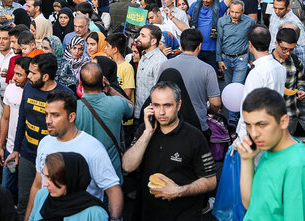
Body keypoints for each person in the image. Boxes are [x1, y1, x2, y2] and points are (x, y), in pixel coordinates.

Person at [121, 82, 217, 221]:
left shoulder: (194, 137)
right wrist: (148, 133)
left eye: (167, 105)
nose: (161, 112)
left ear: (178, 105)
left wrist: (179, 191)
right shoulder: (144, 130)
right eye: (156, 105)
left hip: (183, 214)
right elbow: (128, 166)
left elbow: (210, 180)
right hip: (149, 213)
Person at [28, 90, 123, 220]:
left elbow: (113, 190)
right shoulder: (45, 143)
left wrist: (114, 219)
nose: (48, 121)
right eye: (46, 114)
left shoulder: (93, 148)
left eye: (55, 115)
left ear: (71, 117)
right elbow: (38, 184)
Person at [4, 54, 71, 220]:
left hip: (53, 158)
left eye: (33, 73)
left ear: (46, 76)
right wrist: (16, 149)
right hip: (27, 154)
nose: (29, 76)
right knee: (24, 200)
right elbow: (21, 119)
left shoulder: (65, 94)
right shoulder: (29, 87)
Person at [236, 88, 305, 220]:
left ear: (284, 121)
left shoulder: (297, 165)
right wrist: (246, 160)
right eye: (249, 125)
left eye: (261, 124)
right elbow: (251, 204)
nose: (254, 133)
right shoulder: (270, 149)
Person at [76, 63, 133, 183]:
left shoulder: (73, 109)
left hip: (85, 176)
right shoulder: (117, 103)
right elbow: (131, 108)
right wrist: (111, 89)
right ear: (103, 81)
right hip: (111, 174)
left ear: (80, 83)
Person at [158, 29, 221, 136]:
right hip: (198, 124)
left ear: (181, 47)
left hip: (169, 123)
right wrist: (208, 110)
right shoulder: (208, 69)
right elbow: (215, 103)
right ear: (199, 46)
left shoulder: (165, 65)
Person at [236, 25, 287, 137]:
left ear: (250, 44)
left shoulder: (257, 72)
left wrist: (243, 135)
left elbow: (248, 105)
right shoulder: (280, 68)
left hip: (257, 133)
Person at [28, 152, 109, 221]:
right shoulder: (42, 195)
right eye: (45, 176)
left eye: (50, 178)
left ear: (70, 178)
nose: (45, 184)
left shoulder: (95, 213)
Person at [0, 56, 30, 202]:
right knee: (6, 188)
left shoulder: (35, 94)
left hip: (27, 155)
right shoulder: (10, 89)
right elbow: (5, 118)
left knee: (24, 193)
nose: (14, 77)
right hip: (10, 150)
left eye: (19, 74)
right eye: (14, 73)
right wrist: (0, 146)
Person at [187, 0, 236, 71]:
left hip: (212, 51)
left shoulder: (219, 7)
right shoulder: (195, 6)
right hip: (196, 49)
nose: (205, 0)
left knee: (211, 77)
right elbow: (186, 21)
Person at [270, 27, 304, 133]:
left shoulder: (296, 61)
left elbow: (301, 81)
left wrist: (301, 90)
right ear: (276, 43)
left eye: (291, 49)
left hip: (290, 114)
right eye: (284, 49)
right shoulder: (267, 63)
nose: (288, 53)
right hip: (271, 117)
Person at [216, 0, 255, 86]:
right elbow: (219, 40)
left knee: (237, 86)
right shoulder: (222, 21)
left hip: (241, 58)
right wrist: (219, 60)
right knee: (228, 86)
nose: (234, 15)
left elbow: (251, 40)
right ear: (229, 10)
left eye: (237, 12)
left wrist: (252, 58)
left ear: (242, 11)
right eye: (232, 11)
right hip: (226, 58)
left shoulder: (250, 22)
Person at [134, 25, 167, 122]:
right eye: (139, 35)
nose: (138, 38)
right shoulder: (144, 55)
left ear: (153, 41)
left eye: (143, 36)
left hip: (150, 117)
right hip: (139, 112)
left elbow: (159, 91)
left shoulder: (160, 62)